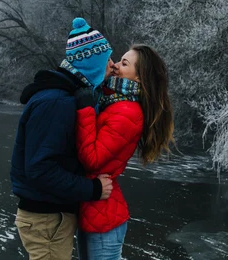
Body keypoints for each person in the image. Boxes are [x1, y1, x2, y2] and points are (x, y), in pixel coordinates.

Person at [10, 17, 115, 260]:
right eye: (107, 59)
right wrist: (93, 188)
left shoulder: (66, 97)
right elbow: (40, 169)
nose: (112, 65)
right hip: (47, 220)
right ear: (93, 64)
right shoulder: (56, 102)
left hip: (51, 217)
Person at [74, 44, 175, 260]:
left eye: (124, 63)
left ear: (139, 78)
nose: (116, 66)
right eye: (120, 60)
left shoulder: (127, 112)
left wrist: (85, 110)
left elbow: (92, 160)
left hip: (103, 216)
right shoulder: (115, 101)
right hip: (95, 209)